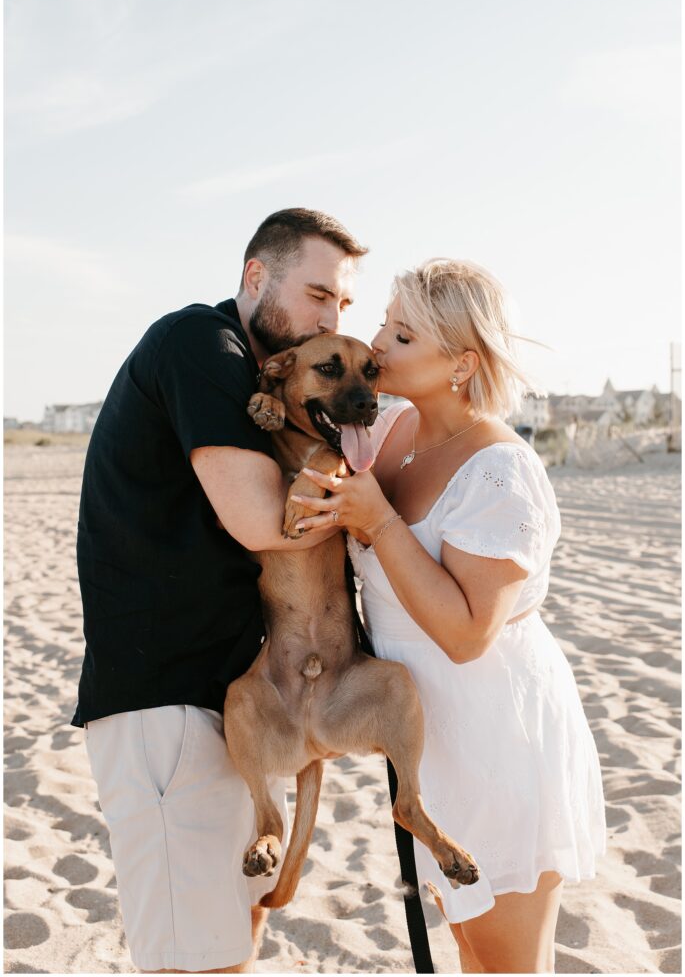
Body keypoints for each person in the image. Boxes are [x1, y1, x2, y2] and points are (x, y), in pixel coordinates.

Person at [291, 258, 607, 974]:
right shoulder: (393, 432)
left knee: (506, 962)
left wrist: (379, 524)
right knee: (468, 950)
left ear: (461, 363)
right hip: (430, 744)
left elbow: (468, 635)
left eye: (401, 336)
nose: (375, 345)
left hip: (498, 739)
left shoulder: (500, 469)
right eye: (383, 323)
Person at [72, 208, 367, 974]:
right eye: (316, 294)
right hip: (165, 700)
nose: (329, 316)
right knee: (194, 961)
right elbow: (265, 520)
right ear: (254, 277)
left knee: (234, 942)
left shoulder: (258, 376)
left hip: (236, 699)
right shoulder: (200, 343)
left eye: (341, 304)